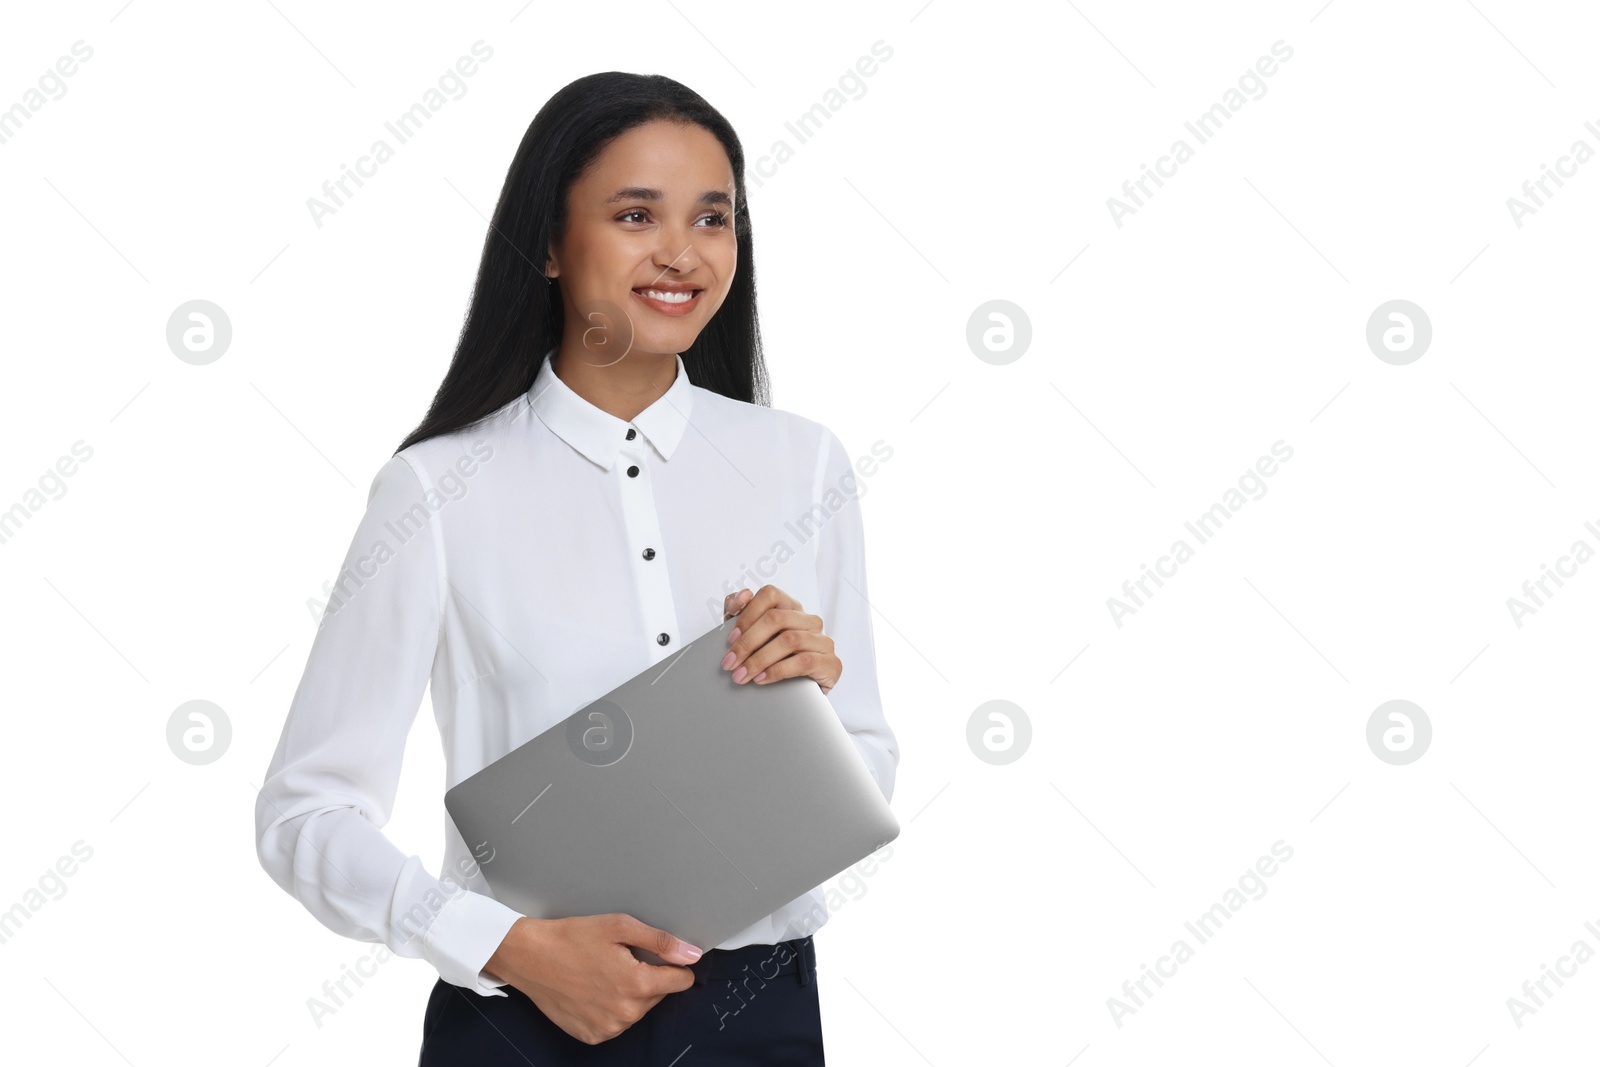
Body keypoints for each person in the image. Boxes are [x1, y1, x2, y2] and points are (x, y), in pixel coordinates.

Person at [252, 71, 899, 1064]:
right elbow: (306, 810)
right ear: (550, 244)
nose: (682, 253)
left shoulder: (801, 463)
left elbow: (869, 764)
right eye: (636, 213)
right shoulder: (435, 489)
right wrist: (503, 943)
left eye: (712, 217)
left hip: (759, 1014)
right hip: (518, 1015)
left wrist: (799, 710)